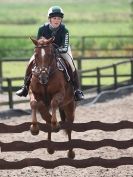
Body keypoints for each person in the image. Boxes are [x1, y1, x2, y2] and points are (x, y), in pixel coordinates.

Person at [16, 6, 84, 101]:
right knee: (30, 62)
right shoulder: (42, 29)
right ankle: (25, 87)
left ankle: (77, 90)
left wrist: (54, 51)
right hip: (45, 51)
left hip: (62, 50)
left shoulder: (65, 30)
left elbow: (64, 47)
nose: (57, 20)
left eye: (59, 18)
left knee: (72, 65)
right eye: (54, 18)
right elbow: (39, 43)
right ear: (50, 19)